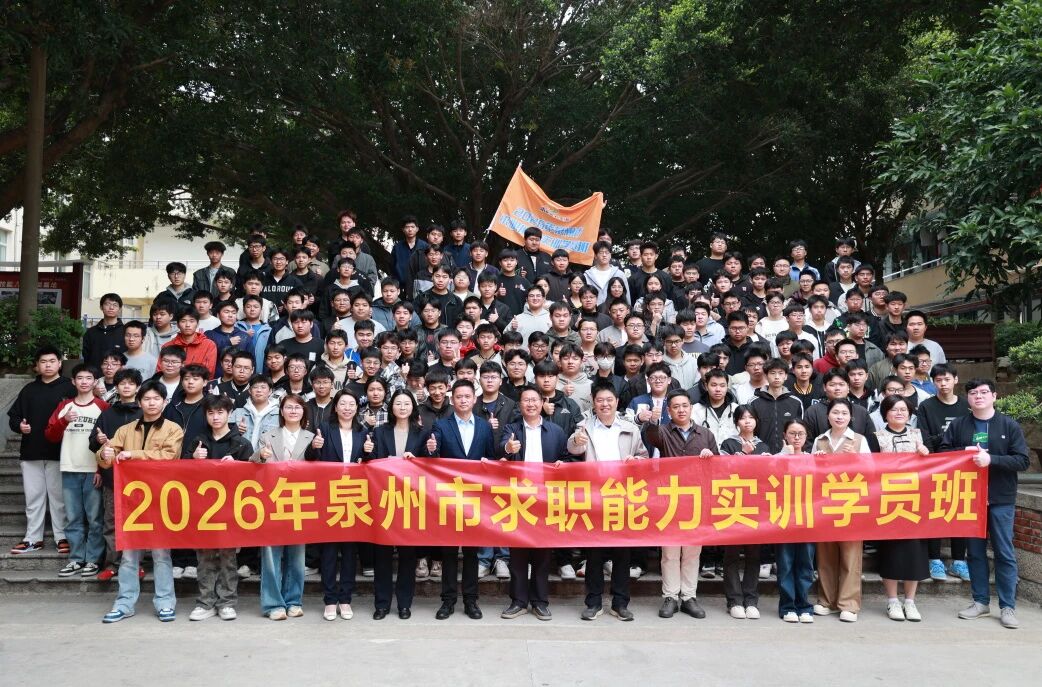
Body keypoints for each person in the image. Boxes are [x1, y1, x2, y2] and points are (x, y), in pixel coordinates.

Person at [944, 378, 1030, 629]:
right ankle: (980, 602)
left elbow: (1022, 461)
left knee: (1004, 552)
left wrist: (992, 459)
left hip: (1001, 498)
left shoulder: (1009, 425)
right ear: (968, 399)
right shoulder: (959, 424)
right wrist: (965, 452)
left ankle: (1007, 606)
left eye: (983, 392)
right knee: (975, 553)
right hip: (970, 498)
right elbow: (944, 453)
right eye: (973, 393)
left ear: (994, 396)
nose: (978, 396)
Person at [98, 380, 184, 622]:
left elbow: (169, 456)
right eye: (146, 399)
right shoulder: (126, 430)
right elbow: (108, 456)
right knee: (129, 555)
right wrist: (104, 453)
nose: (151, 403)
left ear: (165, 402)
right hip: (132, 501)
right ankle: (124, 603)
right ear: (139, 402)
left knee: (161, 554)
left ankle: (165, 602)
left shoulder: (173, 429)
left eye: (156, 399)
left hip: (160, 498)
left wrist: (132, 454)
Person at [567, 383, 649, 621]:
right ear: (593, 403)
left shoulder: (630, 429)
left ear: (617, 402)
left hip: (622, 496)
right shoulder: (584, 427)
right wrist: (577, 440)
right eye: (600, 400)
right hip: (594, 496)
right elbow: (572, 448)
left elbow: (643, 457)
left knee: (622, 554)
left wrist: (636, 461)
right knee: (594, 554)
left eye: (609, 400)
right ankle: (593, 602)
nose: (605, 404)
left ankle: (620, 603)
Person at [497, 385, 570, 620]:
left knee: (542, 554)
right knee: (518, 554)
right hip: (519, 498)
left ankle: (540, 601)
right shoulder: (512, 429)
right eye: (526, 400)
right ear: (520, 405)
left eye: (534, 400)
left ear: (542, 403)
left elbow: (568, 458)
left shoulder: (556, 431)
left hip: (546, 499)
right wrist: (508, 448)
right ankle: (518, 601)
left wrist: (563, 464)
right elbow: (501, 449)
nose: (530, 404)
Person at [425, 380, 496, 620]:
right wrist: (431, 448)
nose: (463, 400)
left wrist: (489, 463)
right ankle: (447, 601)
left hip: (475, 497)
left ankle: (471, 600)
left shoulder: (484, 427)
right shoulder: (441, 425)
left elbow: (491, 458)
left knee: (472, 552)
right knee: (448, 552)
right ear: (452, 399)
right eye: (458, 397)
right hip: (449, 497)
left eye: (467, 396)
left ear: (474, 399)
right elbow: (433, 455)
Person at [644, 390, 716, 620]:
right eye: (676, 407)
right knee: (670, 553)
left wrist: (710, 456)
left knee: (692, 552)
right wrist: (653, 421)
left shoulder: (705, 434)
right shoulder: (663, 431)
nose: (681, 410)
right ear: (669, 410)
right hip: (670, 500)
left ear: (691, 407)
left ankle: (689, 596)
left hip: (696, 500)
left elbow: (718, 467)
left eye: (685, 405)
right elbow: (651, 436)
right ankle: (670, 596)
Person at [183, 395, 252, 621]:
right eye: (211, 413)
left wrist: (238, 467)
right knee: (204, 558)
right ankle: (205, 602)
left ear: (229, 414)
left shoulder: (241, 443)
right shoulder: (198, 441)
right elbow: (180, 472)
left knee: (227, 558)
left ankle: (227, 602)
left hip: (231, 510)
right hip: (202, 510)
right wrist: (193, 458)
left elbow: (254, 477)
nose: (215, 417)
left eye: (220, 412)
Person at [251, 394, 315, 620]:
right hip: (272, 500)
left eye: (297, 407)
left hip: (300, 502)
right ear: (281, 411)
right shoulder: (268, 435)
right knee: (271, 555)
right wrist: (260, 455)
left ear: (303, 412)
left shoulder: (312, 438)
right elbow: (253, 464)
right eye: (289, 407)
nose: (293, 411)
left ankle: (294, 601)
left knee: (297, 556)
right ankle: (273, 604)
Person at [7, 346, 75, 555]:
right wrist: (20, 426)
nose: (48, 365)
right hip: (31, 451)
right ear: (37, 366)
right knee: (33, 498)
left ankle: (62, 537)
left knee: (59, 498)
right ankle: (33, 538)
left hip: (60, 452)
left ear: (60, 363)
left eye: (52, 361)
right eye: (43, 362)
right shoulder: (29, 390)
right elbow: (14, 417)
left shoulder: (70, 388)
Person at [367, 389, 427, 619]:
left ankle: (404, 604)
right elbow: (371, 462)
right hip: (384, 498)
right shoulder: (380, 431)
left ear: (413, 407)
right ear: (391, 407)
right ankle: (381, 604)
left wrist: (419, 459)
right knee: (382, 555)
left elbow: (430, 464)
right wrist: (368, 452)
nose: (402, 407)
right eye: (398, 403)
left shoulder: (422, 433)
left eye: (406, 403)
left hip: (411, 500)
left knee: (407, 556)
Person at [309, 389, 368, 621]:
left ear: (357, 408)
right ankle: (329, 599)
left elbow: (370, 464)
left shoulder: (363, 432)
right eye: (343, 403)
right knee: (329, 552)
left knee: (350, 552)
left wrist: (369, 454)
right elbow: (312, 459)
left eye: (351, 404)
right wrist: (314, 446)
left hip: (353, 497)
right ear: (335, 407)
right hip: (329, 496)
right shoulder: (324, 429)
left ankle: (345, 599)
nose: (347, 408)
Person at [45, 363, 109, 577]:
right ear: (73, 381)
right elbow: (50, 435)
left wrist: (100, 469)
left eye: (88, 378)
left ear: (95, 381)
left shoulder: (102, 406)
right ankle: (76, 559)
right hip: (69, 467)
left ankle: (93, 559)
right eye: (80, 378)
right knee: (73, 517)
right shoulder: (65, 406)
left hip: (93, 470)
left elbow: (108, 441)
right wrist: (64, 421)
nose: (84, 382)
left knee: (95, 518)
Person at [811, 398, 870, 623]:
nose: (839, 417)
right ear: (828, 415)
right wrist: (815, 462)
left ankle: (849, 603)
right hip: (824, 504)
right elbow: (809, 472)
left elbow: (872, 471)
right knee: (825, 555)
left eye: (844, 413)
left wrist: (855, 458)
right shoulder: (820, 440)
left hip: (851, 503)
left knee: (850, 555)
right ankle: (826, 600)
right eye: (835, 412)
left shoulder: (859, 440)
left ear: (851, 416)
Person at [874, 394, 930, 622]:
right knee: (891, 551)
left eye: (903, 410)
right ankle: (892, 600)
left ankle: (910, 601)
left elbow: (930, 468)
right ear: (885, 413)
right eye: (894, 409)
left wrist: (925, 455)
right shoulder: (877, 437)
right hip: (887, 501)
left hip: (914, 501)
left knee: (914, 551)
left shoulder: (917, 435)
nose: (899, 413)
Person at [916, 363, 971, 581]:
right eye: (938, 380)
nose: (943, 384)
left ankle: (959, 561)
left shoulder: (966, 405)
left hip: (963, 468)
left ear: (956, 380)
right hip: (935, 466)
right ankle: (934, 560)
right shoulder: (926, 406)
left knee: (959, 512)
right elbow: (925, 438)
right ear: (933, 382)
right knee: (935, 512)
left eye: (947, 379)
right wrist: (945, 443)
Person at [774, 418, 817, 623]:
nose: (796, 438)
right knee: (786, 564)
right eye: (792, 433)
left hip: (807, 518)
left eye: (801, 434)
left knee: (806, 564)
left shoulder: (814, 459)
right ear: (785, 435)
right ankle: (787, 606)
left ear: (807, 436)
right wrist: (784, 457)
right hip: (784, 518)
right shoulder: (777, 458)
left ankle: (804, 605)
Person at [82, 293, 125, 367]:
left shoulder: (125, 331)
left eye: (115, 305)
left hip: (119, 373)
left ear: (120, 309)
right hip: (94, 373)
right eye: (107, 304)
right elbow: (86, 356)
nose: (111, 307)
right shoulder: (91, 332)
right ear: (101, 307)